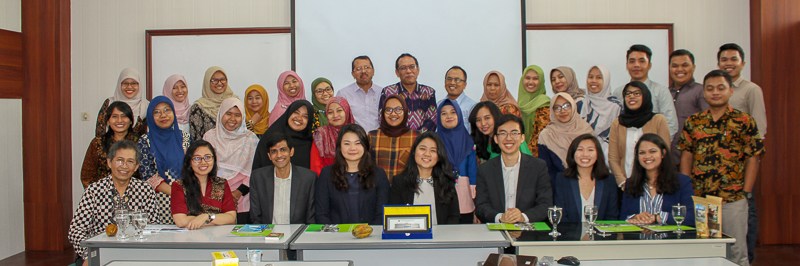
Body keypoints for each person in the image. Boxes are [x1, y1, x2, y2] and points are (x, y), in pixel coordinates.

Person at [679, 70, 763, 266]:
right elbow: (686, 157)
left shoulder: (744, 121)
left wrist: (746, 192)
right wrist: (686, 192)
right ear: (704, 93)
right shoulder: (694, 122)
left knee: (736, 252)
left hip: (733, 199)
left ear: (731, 91)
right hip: (701, 200)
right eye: (710, 89)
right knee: (704, 250)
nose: (715, 92)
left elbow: (753, 158)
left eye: (720, 88)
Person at [717, 42, 767, 265]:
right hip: (716, 168)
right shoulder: (716, 87)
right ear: (719, 62)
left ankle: (746, 259)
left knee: (746, 210)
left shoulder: (751, 89)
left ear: (742, 63)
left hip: (741, 165)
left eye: (733, 59)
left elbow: (759, 131)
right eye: (724, 59)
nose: (729, 63)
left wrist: (751, 161)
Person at [69, 140, 157, 266]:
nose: (124, 166)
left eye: (130, 162)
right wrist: (89, 255)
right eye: (120, 160)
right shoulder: (94, 190)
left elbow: (154, 228)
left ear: (136, 166)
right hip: (99, 253)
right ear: (109, 162)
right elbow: (76, 230)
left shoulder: (146, 191)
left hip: (135, 255)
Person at [475, 114, 552, 223]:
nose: (508, 138)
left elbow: (545, 204)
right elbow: (481, 206)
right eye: (503, 133)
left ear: (522, 138)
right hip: (497, 232)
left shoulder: (538, 167)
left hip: (528, 233)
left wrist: (523, 217)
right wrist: (500, 217)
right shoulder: (485, 169)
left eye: (514, 133)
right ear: (496, 139)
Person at [315, 124, 390, 225]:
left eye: (358, 143)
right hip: (336, 236)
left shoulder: (378, 174)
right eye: (347, 144)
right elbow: (321, 214)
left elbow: (382, 214)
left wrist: (367, 233)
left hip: (370, 236)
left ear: (365, 146)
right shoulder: (326, 174)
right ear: (339, 146)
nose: (352, 148)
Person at [203, 98, 259, 224]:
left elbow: (255, 171)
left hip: (242, 199)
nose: (232, 118)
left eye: (237, 115)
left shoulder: (251, 139)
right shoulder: (209, 137)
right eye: (228, 113)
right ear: (221, 114)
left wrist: (237, 193)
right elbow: (204, 168)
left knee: (242, 240)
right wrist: (221, 195)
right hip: (214, 198)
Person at [137, 96, 191, 225]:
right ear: (150, 116)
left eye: (167, 110)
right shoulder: (144, 142)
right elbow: (148, 175)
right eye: (157, 112)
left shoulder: (185, 138)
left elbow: (194, 166)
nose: (163, 115)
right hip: (159, 202)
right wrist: (177, 193)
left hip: (187, 199)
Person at [621, 133, 695, 226]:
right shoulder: (630, 183)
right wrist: (634, 217)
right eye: (642, 152)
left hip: (670, 240)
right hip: (639, 239)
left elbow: (692, 217)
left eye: (652, 151)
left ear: (663, 153)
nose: (647, 156)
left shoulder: (682, 181)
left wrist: (659, 218)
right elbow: (622, 218)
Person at [389, 131, 460, 225]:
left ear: (439, 156)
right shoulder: (399, 182)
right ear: (414, 152)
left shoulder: (446, 182)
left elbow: (454, 216)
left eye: (433, 150)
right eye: (423, 149)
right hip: (408, 237)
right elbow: (393, 217)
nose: (427, 154)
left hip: (440, 237)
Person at [608, 81, 671, 188]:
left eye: (637, 93)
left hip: (654, 184)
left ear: (645, 96)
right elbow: (613, 158)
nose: (632, 96)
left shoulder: (658, 120)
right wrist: (622, 182)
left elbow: (665, 153)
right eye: (628, 94)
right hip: (626, 184)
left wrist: (655, 182)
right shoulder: (617, 123)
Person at [611, 44, 679, 138]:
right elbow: (614, 125)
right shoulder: (618, 92)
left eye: (642, 61)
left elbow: (671, 125)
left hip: (652, 149)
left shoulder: (661, 91)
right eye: (632, 61)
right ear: (626, 65)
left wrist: (657, 147)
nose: (637, 65)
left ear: (649, 65)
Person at [250, 133, 317, 224]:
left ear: (291, 152)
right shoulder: (258, 178)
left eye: (283, 150)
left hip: (298, 235)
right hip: (268, 234)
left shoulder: (308, 178)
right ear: (269, 156)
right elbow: (256, 217)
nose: (279, 155)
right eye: (274, 151)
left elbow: (311, 217)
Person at [171, 140, 237, 229]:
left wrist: (206, 217)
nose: (203, 162)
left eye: (207, 157)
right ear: (189, 161)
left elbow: (231, 218)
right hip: (189, 238)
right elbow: (180, 221)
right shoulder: (179, 185)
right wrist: (218, 220)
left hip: (218, 238)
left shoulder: (222, 184)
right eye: (197, 158)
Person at [554, 134, 619, 222]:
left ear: (598, 154)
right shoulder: (562, 178)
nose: (585, 154)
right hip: (570, 234)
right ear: (573, 153)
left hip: (600, 234)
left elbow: (612, 216)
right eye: (580, 149)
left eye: (590, 150)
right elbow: (561, 215)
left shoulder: (608, 180)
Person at [435, 99, 478, 224]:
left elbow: (473, 171)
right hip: (441, 194)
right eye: (443, 113)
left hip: (465, 197)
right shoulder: (434, 141)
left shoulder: (468, 142)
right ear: (438, 117)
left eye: (453, 112)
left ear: (459, 115)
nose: (449, 116)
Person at [538, 93, 595, 185]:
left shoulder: (586, 131)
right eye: (557, 108)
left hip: (587, 185)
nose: (562, 111)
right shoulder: (546, 135)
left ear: (573, 107)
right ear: (552, 111)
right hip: (558, 187)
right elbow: (547, 171)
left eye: (566, 106)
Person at [81, 102, 140, 188]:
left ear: (131, 121)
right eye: (114, 116)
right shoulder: (98, 143)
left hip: (133, 194)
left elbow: (144, 174)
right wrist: (98, 194)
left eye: (124, 116)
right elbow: (87, 176)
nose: (119, 120)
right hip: (102, 195)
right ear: (108, 121)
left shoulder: (139, 143)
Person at [253, 100, 321, 173]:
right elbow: (258, 168)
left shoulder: (312, 144)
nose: (299, 118)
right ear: (289, 113)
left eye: (305, 116)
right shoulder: (271, 136)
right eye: (296, 112)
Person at [668, 49, 708, 166]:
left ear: (693, 67)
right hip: (669, 159)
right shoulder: (665, 93)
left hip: (693, 158)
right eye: (675, 66)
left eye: (685, 65)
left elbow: (707, 124)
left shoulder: (701, 91)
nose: (680, 69)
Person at [379, 53, 437, 132]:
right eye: (403, 68)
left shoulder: (428, 92)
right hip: (396, 139)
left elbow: (432, 120)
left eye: (412, 67)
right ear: (397, 72)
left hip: (422, 140)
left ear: (418, 70)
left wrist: (417, 136)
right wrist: (403, 137)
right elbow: (383, 118)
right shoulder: (388, 92)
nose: (408, 71)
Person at [369, 94, 420, 181]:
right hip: (377, 191)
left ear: (405, 111)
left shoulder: (415, 136)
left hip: (405, 191)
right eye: (388, 110)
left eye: (398, 109)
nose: (393, 114)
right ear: (383, 112)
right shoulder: (372, 136)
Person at [580, 65, 623, 162]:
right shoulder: (580, 105)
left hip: (607, 161)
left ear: (606, 80)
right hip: (581, 159)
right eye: (590, 77)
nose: (593, 81)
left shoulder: (616, 107)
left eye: (599, 77)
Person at [469, 101, 533, 165]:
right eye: (478, 120)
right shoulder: (478, 142)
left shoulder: (512, 139)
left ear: (496, 117)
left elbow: (529, 164)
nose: (483, 123)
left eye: (487, 118)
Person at [95, 68, 148, 138]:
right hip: (110, 147)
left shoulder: (146, 105)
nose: (129, 87)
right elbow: (100, 132)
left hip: (138, 148)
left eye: (133, 83)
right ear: (119, 84)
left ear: (139, 85)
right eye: (125, 83)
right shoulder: (109, 103)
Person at [189, 66, 238, 142]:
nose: (219, 83)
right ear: (207, 82)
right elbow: (196, 139)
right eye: (214, 80)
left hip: (235, 150)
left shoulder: (235, 102)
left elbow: (241, 130)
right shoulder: (198, 107)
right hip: (209, 152)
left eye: (223, 79)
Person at [337, 55, 383, 132]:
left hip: (378, 139)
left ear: (373, 71)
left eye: (367, 67)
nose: (363, 71)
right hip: (354, 140)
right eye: (358, 69)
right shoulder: (343, 94)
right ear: (353, 74)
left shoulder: (382, 93)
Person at [517, 65, 551, 156]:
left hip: (536, 156)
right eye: (527, 78)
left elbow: (539, 137)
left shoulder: (545, 104)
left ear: (541, 81)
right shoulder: (518, 104)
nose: (531, 82)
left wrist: (525, 156)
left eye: (535, 78)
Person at [313, 97, 355, 170]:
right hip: (327, 179)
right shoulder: (320, 135)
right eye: (330, 112)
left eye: (339, 110)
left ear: (346, 111)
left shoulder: (356, 134)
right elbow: (316, 166)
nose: (335, 115)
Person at [438, 66, 477, 133]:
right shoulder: (439, 104)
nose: (452, 83)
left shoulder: (472, 106)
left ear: (465, 84)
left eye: (457, 80)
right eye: (449, 79)